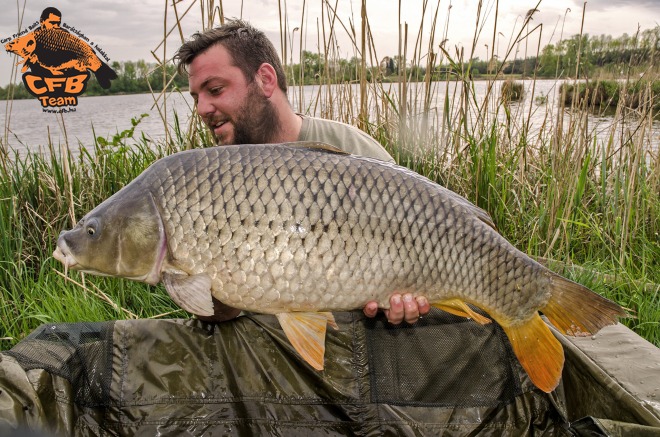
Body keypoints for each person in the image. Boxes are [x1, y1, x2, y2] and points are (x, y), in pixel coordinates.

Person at [173, 19, 430, 325]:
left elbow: (430, 228)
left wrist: (408, 299)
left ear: (265, 80)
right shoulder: (211, 183)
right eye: (196, 98)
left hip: (361, 346)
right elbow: (223, 315)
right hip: (274, 352)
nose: (202, 109)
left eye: (214, 89)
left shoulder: (353, 150)